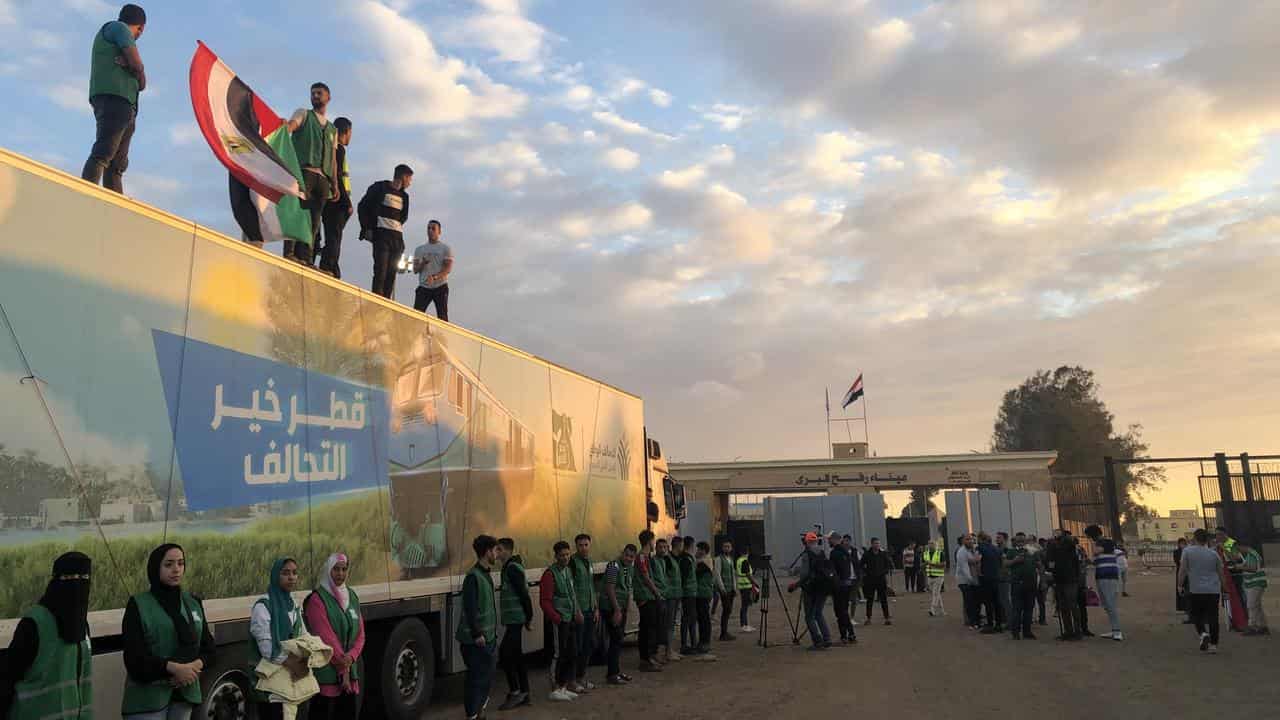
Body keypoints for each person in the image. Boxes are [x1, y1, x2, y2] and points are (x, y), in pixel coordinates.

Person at [122, 544, 216, 720]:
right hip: (147, 701)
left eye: (181, 563)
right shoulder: (139, 604)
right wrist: (174, 669)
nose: (176, 569)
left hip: (184, 697)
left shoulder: (192, 602)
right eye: (169, 564)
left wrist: (193, 668)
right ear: (155, 568)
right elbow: (134, 658)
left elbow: (209, 649)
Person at [0, 553, 94, 719]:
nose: (78, 582)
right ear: (56, 581)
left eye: (84, 576)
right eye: (70, 576)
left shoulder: (83, 627)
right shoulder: (34, 624)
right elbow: (8, 677)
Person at [81, 4, 146, 194]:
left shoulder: (114, 33)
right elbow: (138, 66)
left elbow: (142, 83)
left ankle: (115, 209)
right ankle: (85, 197)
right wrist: (135, 66)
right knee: (104, 153)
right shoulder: (119, 28)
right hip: (115, 99)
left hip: (125, 104)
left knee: (116, 165)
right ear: (140, 27)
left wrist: (134, 67)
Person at [303, 553, 365, 720]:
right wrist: (343, 668)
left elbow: (360, 634)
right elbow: (326, 637)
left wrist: (351, 658)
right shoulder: (317, 600)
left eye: (344, 569)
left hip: (348, 675)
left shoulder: (352, 596)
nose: (340, 574)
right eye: (336, 569)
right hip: (327, 675)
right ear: (328, 571)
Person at [284, 82, 339, 266]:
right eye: (313, 93)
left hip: (323, 179)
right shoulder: (304, 114)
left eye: (319, 93)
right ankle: (290, 252)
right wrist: (286, 127)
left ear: (328, 98)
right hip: (304, 172)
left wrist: (335, 183)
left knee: (314, 222)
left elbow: (333, 159)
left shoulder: (332, 129)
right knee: (297, 211)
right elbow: (292, 126)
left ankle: (305, 257)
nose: (315, 96)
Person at [249, 558, 310, 720]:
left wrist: (312, 654)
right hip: (272, 685)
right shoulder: (263, 606)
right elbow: (267, 649)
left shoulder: (294, 605)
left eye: (295, 573)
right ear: (276, 575)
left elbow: (303, 635)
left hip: (292, 680)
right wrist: (293, 664)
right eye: (285, 573)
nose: (291, 577)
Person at [358, 164, 413, 299]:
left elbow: (403, 217)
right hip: (381, 236)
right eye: (410, 179)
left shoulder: (405, 196)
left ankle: (387, 301)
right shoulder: (379, 187)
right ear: (404, 177)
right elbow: (362, 206)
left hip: (397, 238)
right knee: (380, 270)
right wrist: (367, 228)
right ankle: (377, 299)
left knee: (391, 273)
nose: (410, 183)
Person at [458, 536, 498, 719]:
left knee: (485, 679)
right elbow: (470, 608)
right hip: (476, 642)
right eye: (495, 550)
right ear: (488, 552)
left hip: (487, 639)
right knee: (476, 680)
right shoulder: (473, 577)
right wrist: (477, 634)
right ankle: (472, 715)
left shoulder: (484, 574)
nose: (497, 554)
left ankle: (479, 713)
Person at [541, 540, 583, 701]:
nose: (565, 558)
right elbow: (545, 601)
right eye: (562, 555)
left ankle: (563, 686)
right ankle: (555, 688)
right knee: (559, 653)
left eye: (567, 554)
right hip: (560, 620)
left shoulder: (567, 571)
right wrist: (557, 618)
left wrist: (577, 611)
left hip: (570, 619)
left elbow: (572, 593)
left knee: (571, 652)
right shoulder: (550, 574)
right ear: (556, 556)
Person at [496, 538, 533, 709]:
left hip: (517, 620)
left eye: (500, 549)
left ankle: (516, 691)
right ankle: (524, 692)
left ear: (509, 551)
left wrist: (529, 617)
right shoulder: (509, 568)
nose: (497, 552)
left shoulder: (512, 569)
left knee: (505, 654)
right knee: (517, 655)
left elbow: (524, 595)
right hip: (513, 620)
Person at [316, 117, 353, 278]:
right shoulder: (338, 149)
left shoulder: (330, 148)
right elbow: (337, 175)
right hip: (337, 201)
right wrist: (347, 202)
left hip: (330, 200)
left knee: (332, 236)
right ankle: (328, 267)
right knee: (334, 237)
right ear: (347, 132)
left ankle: (332, 266)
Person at [1178, 528, 1223, 653]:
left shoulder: (1187, 551)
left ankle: (1203, 633)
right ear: (1206, 540)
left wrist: (1180, 585)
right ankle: (1214, 645)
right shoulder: (1213, 554)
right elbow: (1221, 573)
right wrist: (1225, 588)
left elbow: (1183, 570)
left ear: (1195, 538)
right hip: (1213, 589)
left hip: (1196, 589)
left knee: (1196, 615)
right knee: (1213, 617)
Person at [789, 532, 834, 649]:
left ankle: (817, 641)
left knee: (809, 616)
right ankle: (827, 638)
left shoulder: (807, 554)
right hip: (823, 587)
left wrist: (796, 585)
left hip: (811, 589)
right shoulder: (822, 553)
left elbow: (805, 574)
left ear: (806, 542)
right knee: (818, 613)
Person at [601, 544, 637, 684]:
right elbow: (609, 588)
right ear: (622, 553)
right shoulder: (613, 566)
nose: (628, 558)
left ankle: (616, 671)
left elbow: (627, 589)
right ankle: (612, 675)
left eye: (631, 557)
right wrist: (617, 610)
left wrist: (625, 609)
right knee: (615, 639)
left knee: (619, 640)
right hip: (611, 608)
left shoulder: (629, 568)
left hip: (620, 608)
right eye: (627, 555)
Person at [569, 534, 598, 693]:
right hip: (579, 612)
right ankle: (572, 681)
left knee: (588, 646)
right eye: (580, 545)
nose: (584, 548)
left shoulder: (589, 562)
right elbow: (571, 589)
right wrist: (577, 610)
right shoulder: (572, 562)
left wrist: (596, 608)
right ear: (576, 546)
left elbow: (591, 586)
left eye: (586, 544)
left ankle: (581, 678)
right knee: (576, 647)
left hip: (590, 610)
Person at [632, 530, 664, 672]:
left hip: (648, 596)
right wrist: (656, 593)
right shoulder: (642, 557)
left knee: (651, 628)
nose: (653, 543)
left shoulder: (645, 557)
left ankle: (649, 657)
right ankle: (645, 660)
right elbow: (645, 577)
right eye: (653, 541)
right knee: (647, 629)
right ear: (649, 541)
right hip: (645, 597)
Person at [412, 220, 453, 321]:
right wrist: (422, 263)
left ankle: (443, 335)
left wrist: (435, 277)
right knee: (416, 316)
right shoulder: (419, 249)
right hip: (424, 286)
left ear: (439, 231)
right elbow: (415, 270)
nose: (430, 230)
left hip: (440, 286)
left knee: (442, 316)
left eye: (433, 228)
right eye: (428, 228)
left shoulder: (445, 248)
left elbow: (448, 269)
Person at [1047, 531, 1083, 641]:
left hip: (1068, 580)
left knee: (1070, 606)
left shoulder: (1069, 548)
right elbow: (1050, 564)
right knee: (1065, 607)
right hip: (1063, 580)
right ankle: (1071, 631)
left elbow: (1051, 565)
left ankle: (1075, 631)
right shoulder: (1055, 549)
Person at [1005, 533, 1038, 640]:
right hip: (1017, 584)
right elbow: (1005, 563)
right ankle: (1015, 632)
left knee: (1029, 609)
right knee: (1017, 609)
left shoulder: (1031, 551)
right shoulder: (1011, 551)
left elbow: (1039, 564)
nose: (1021, 543)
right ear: (1015, 541)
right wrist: (1015, 560)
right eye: (1018, 541)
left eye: (1023, 541)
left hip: (1031, 584)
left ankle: (1027, 632)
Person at [1091, 536, 1123, 641]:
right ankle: (1114, 630)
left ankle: (1117, 631)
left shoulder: (1111, 555)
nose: (1094, 548)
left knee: (1110, 604)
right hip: (1101, 580)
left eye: (1096, 546)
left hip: (1108, 580)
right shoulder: (1100, 556)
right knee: (1106, 604)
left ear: (1102, 547)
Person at [828, 532, 858, 641]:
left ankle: (847, 634)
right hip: (847, 584)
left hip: (839, 586)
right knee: (843, 610)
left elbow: (833, 571)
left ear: (835, 540)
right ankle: (847, 634)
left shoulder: (835, 553)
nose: (828, 542)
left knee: (840, 611)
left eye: (830, 540)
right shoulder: (845, 552)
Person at [656, 538, 681, 662]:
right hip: (669, 596)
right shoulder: (663, 561)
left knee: (670, 624)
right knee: (668, 625)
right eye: (660, 547)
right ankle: (667, 651)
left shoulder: (670, 559)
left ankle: (669, 650)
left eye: (665, 547)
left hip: (675, 595)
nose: (663, 549)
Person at [1237, 541, 1269, 636]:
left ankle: (1252, 627)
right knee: (1257, 606)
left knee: (1251, 606)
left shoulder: (1251, 554)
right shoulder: (1252, 554)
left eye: (1238, 547)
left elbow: (1253, 568)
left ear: (1243, 546)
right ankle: (1263, 626)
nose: (1238, 550)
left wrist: (1240, 567)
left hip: (1255, 584)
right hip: (1255, 583)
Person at [693, 542, 718, 657]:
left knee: (704, 619)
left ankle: (705, 642)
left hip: (703, 594)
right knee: (703, 619)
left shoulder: (705, 562)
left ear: (703, 551)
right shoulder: (703, 561)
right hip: (702, 593)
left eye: (698, 550)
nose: (696, 552)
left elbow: (695, 573)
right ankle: (703, 642)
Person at [975, 532, 1003, 633]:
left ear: (980, 539)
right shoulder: (996, 549)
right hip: (996, 578)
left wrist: (979, 573)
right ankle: (999, 624)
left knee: (988, 602)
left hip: (986, 578)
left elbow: (977, 561)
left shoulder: (980, 548)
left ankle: (990, 624)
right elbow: (1001, 563)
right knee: (997, 602)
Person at [860, 537, 892, 625]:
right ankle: (868, 618)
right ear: (872, 544)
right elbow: (861, 565)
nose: (877, 545)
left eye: (878, 543)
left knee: (883, 599)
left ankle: (887, 618)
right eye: (875, 543)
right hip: (870, 580)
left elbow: (888, 564)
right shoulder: (867, 554)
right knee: (870, 599)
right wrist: (866, 572)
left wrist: (885, 571)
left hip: (881, 579)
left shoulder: (883, 554)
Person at [676, 535, 698, 655]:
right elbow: (684, 578)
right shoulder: (686, 559)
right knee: (688, 619)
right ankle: (686, 645)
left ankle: (692, 643)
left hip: (690, 592)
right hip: (688, 593)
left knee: (690, 618)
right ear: (691, 545)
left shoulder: (687, 558)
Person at [954, 534, 981, 629]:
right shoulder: (961, 552)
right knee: (970, 601)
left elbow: (973, 561)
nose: (970, 541)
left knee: (972, 601)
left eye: (971, 540)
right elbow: (964, 569)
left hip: (970, 580)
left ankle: (973, 620)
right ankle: (972, 622)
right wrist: (972, 581)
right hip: (964, 581)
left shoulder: (969, 550)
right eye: (967, 539)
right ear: (963, 541)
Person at [713, 539, 737, 641]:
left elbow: (733, 575)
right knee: (726, 609)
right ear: (722, 548)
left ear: (731, 548)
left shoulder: (731, 559)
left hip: (731, 588)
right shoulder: (719, 559)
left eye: (728, 546)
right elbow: (717, 574)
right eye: (725, 546)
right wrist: (721, 588)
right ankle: (723, 633)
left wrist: (735, 588)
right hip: (724, 589)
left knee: (728, 610)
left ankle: (725, 632)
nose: (727, 548)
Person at [735, 544, 759, 633]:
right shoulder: (744, 561)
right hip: (746, 586)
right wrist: (755, 583)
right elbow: (748, 574)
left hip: (742, 586)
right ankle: (744, 625)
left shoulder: (739, 560)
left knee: (745, 606)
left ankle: (745, 624)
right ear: (747, 552)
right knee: (744, 606)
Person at [922, 538, 947, 617]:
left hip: (938, 577)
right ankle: (942, 610)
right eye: (929, 544)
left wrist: (931, 564)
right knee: (936, 594)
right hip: (930, 576)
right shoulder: (925, 553)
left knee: (935, 594)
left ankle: (932, 610)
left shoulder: (940, 553)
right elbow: (922, 565)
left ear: (935, 545)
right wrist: (925, 566)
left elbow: (943, 565)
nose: (930, 545)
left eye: (932, 544)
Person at [1174, 537, 1191, 622]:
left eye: (1184, 543)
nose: (1182, 545)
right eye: (1181, 543)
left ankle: (1189, 612)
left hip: (1188, 574)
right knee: (1181, 591)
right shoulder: (1177, 552)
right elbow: (1178, 562)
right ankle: (1183, 608)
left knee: (1188, 592)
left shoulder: (1188, 551)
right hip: (1180, 572)